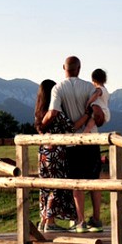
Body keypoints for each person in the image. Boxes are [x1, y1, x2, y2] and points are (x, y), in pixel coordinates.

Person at [42, 56, 105, 233]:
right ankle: (97, 220)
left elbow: (53, 112)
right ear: (79, 68)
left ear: (64, 67)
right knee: (95, 181)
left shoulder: (58, 89)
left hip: (70, 143)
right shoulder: (89, 87)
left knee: (76, 183)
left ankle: (80, 221)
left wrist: (43, 124)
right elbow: (98, 114)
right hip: (91, 140)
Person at [34, 79, 77, 231]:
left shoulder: (38, 113)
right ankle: (50, 223)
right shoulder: (56, 112)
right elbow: (71, 127)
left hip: (43, 152)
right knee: (57, 185)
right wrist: (86, 114)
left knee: (45, 186)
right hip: (57, 152)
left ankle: (43, 220)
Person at [76, 68, 111, 134]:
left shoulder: (99, 89)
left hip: (100, 112)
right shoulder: (105, 90)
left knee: (89, 126)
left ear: (93, 80)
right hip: (105, 112)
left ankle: (83, 136)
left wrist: (88, 103)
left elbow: (96, 95)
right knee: (91, 126)